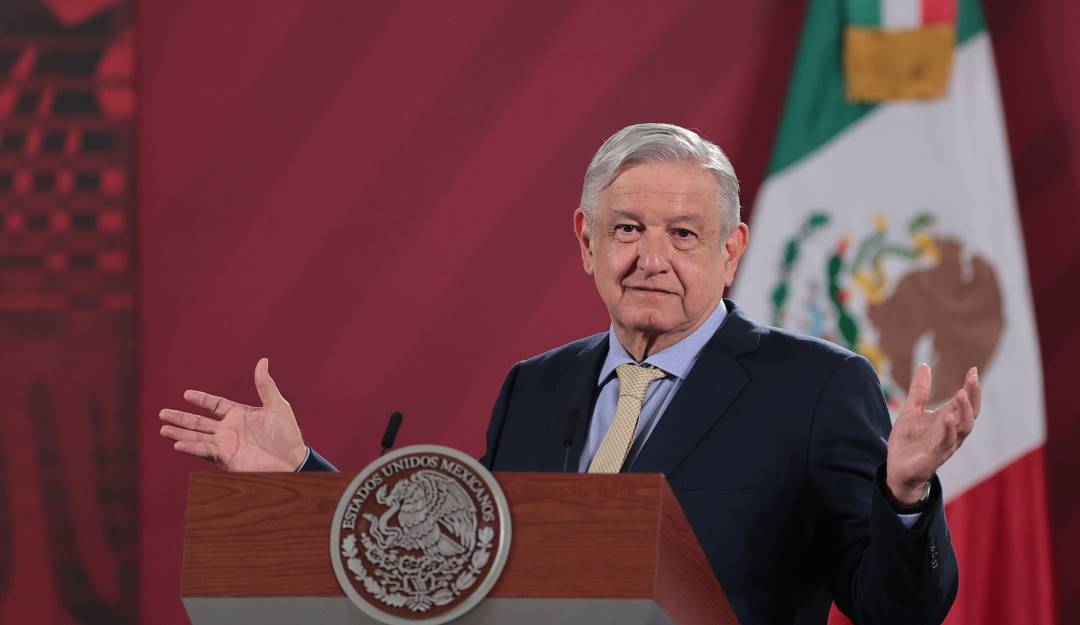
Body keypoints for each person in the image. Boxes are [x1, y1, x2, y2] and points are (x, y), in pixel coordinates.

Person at [160, 123, 979, 625]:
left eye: (684, 234)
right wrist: (300, 474)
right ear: (586, 241)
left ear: (731, 251)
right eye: (627, 229)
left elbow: (896, 610)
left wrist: (905, 496)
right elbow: (459, 565)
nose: (651, 257)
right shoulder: (537, 385)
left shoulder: (816, 386)